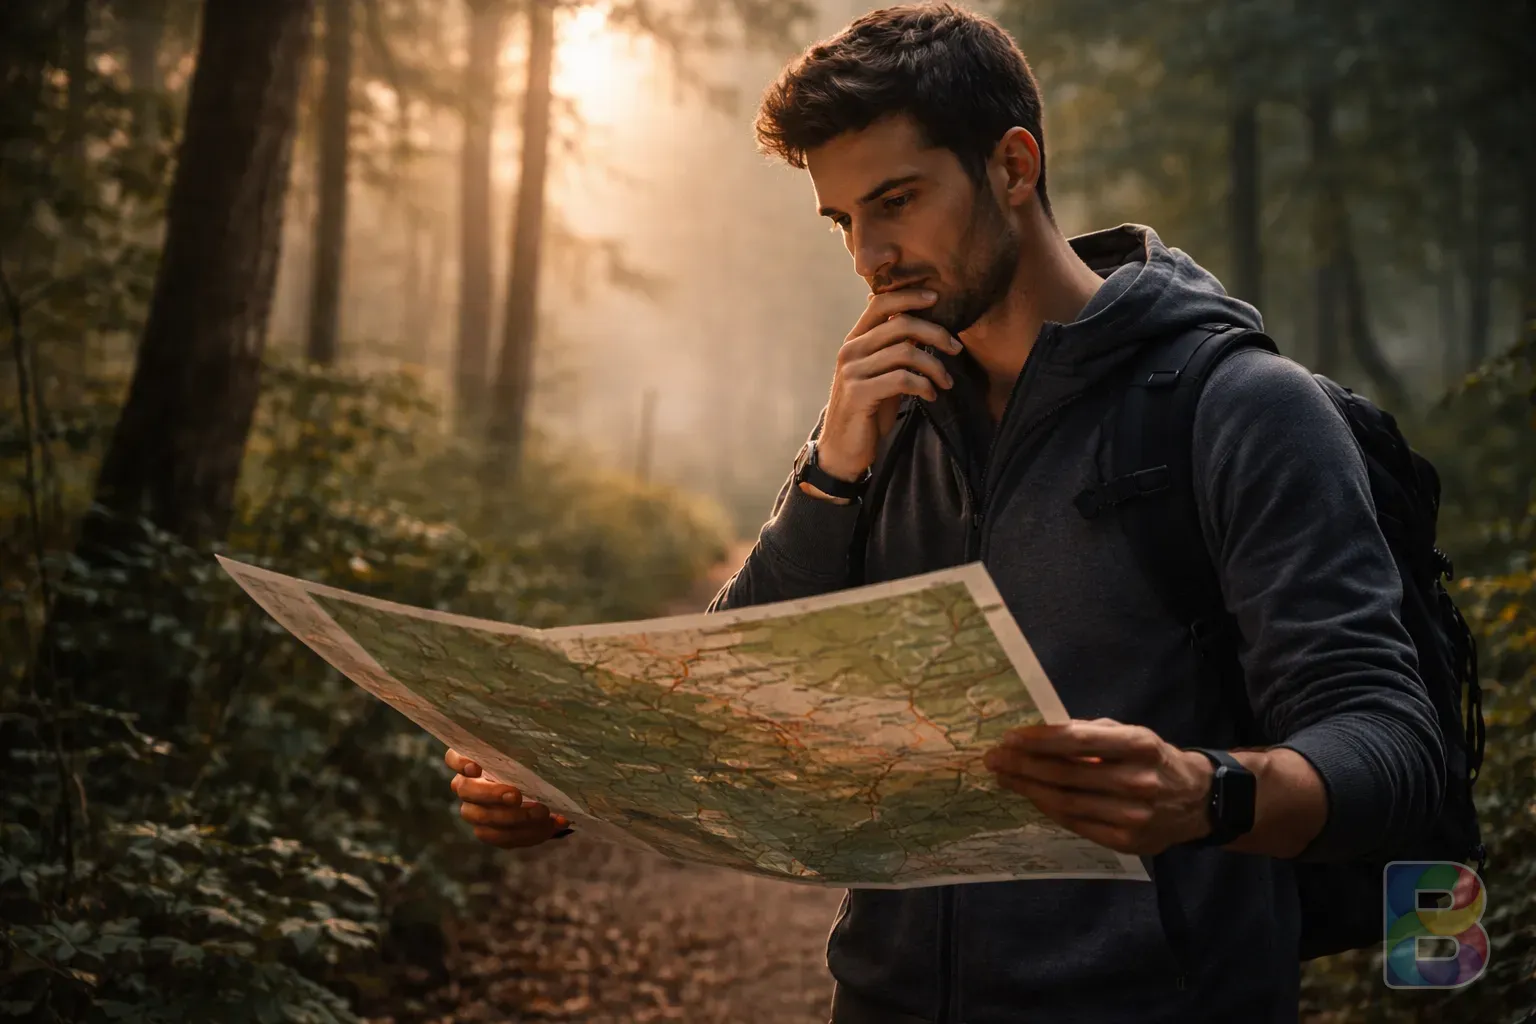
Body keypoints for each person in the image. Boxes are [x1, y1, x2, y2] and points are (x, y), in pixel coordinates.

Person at [444, 4, 1446, 1021]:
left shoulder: (1238, 409)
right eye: (844, 220)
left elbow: (1393, 742)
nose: (870, 256)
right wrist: (566, 774)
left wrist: (1210, 790)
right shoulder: (884, 413)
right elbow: (736, 703)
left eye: (897, 200)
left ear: (1013, 167)